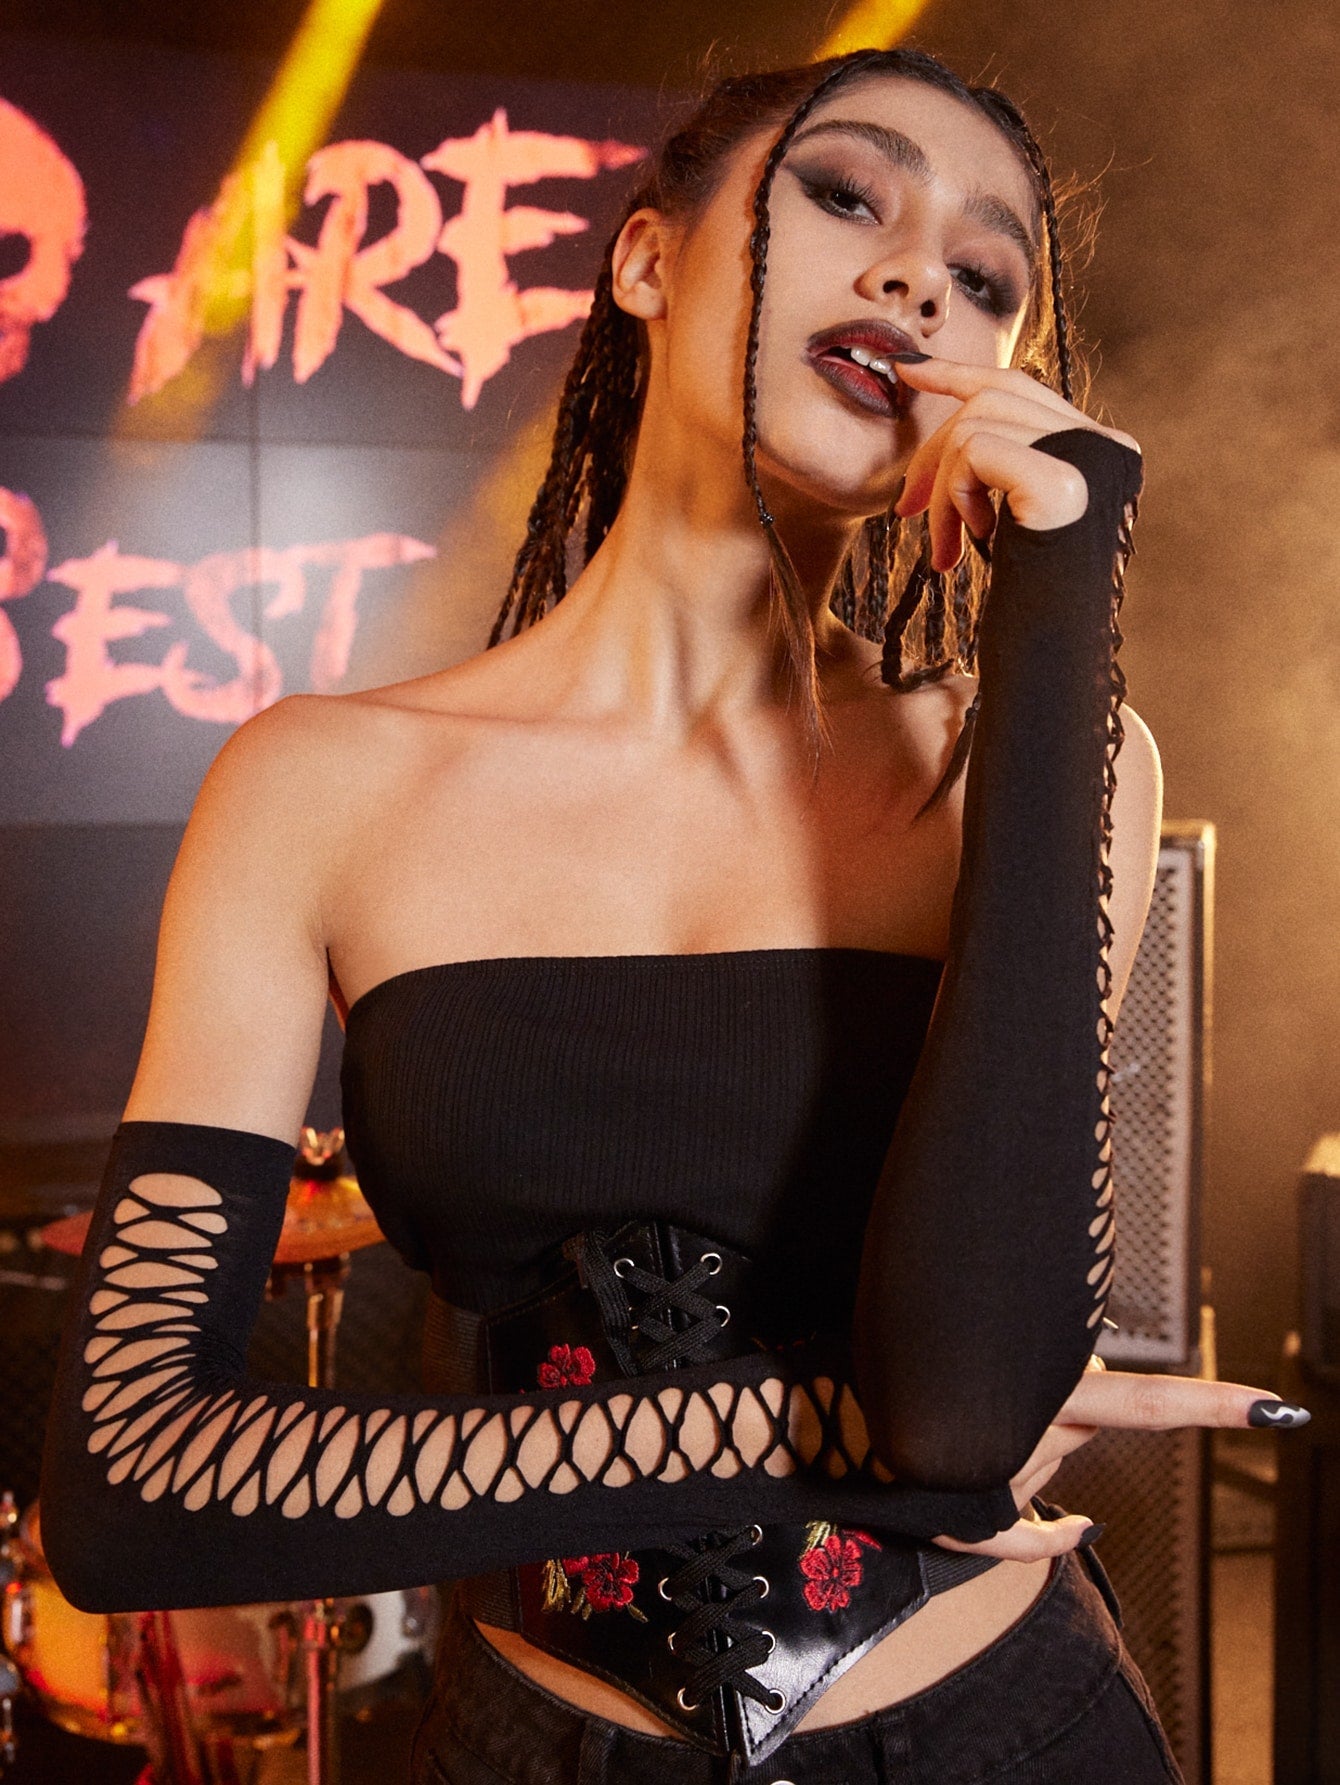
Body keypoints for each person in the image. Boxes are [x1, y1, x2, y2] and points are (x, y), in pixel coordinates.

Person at [39, 45, 1308, 1785]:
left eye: (985, 276)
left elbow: (964, 1404)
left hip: (1005, 1731)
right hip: (539, 1749)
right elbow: (127, 1488)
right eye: (848, 194)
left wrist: (1066, 589)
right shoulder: (316, 785)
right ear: (646, 257)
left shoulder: (1035, 763)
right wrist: (813, 1424)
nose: (920, 278)